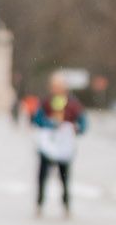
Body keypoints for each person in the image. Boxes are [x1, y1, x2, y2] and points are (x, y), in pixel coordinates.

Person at [30, 72, 87, 216]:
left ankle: (66, 204)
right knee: (42, 177)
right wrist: (50, 123)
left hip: (64, 148)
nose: (56, 89)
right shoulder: (45, 102)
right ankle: (40, 204)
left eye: (59, 86)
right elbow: (37, 119)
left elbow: (83, 124)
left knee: (64, 178)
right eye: (54, 86)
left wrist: (75, 127)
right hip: (47, 147)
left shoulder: (74, 104)